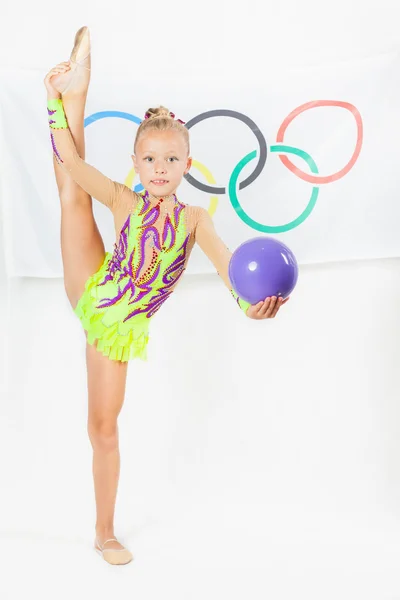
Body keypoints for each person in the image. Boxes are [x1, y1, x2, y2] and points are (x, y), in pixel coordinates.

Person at [44, 26, 289, 565]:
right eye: (150, 160)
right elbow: (73, 165)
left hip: (116, 324)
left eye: (171, 160)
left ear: (186, 164)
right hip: (96, 284)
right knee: (71, 194)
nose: (159, 169)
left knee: (102, 429)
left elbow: (228, 267)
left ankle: (103, 531)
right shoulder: (125, 199)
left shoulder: (195, 219)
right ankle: (75, 90)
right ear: (137, 163)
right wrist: (51, 104)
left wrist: (251, 306)